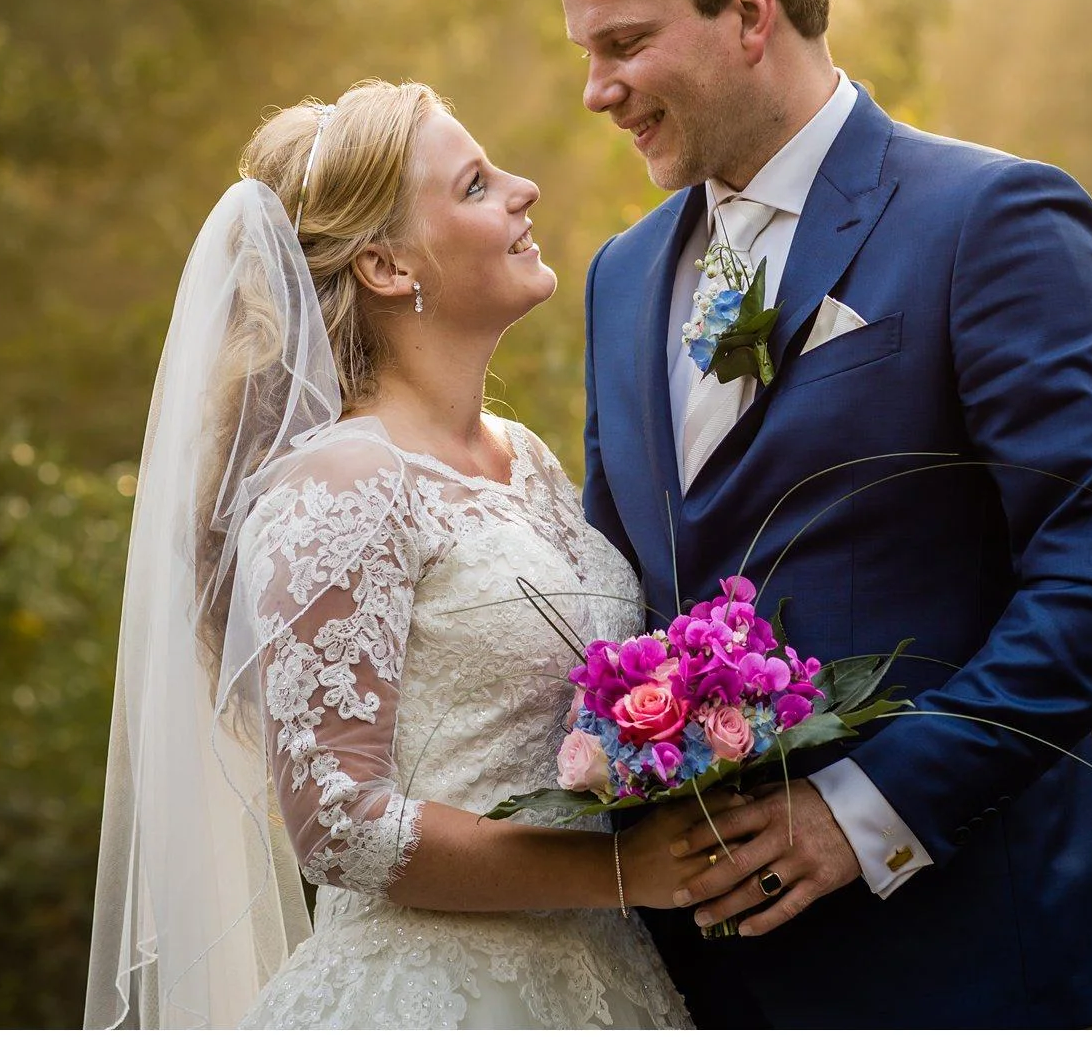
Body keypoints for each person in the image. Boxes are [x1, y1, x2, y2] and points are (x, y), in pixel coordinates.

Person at [544, 0, 1092, 1027]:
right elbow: (618, 592)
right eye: (586, 52)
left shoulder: (988, 218)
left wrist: (864, 810)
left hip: (958, 962)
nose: (596, 88)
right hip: (691, 981)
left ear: (750, 10)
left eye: (624, 43)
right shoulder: (619, 276)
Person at [82, 79, 702, 1029]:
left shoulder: (522, 457)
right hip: (430, 992)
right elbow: (338, 820)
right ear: (385, 264)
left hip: (601, 974)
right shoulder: (339, 482)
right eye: (475, 186)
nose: (525, 188)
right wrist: (619, 870)